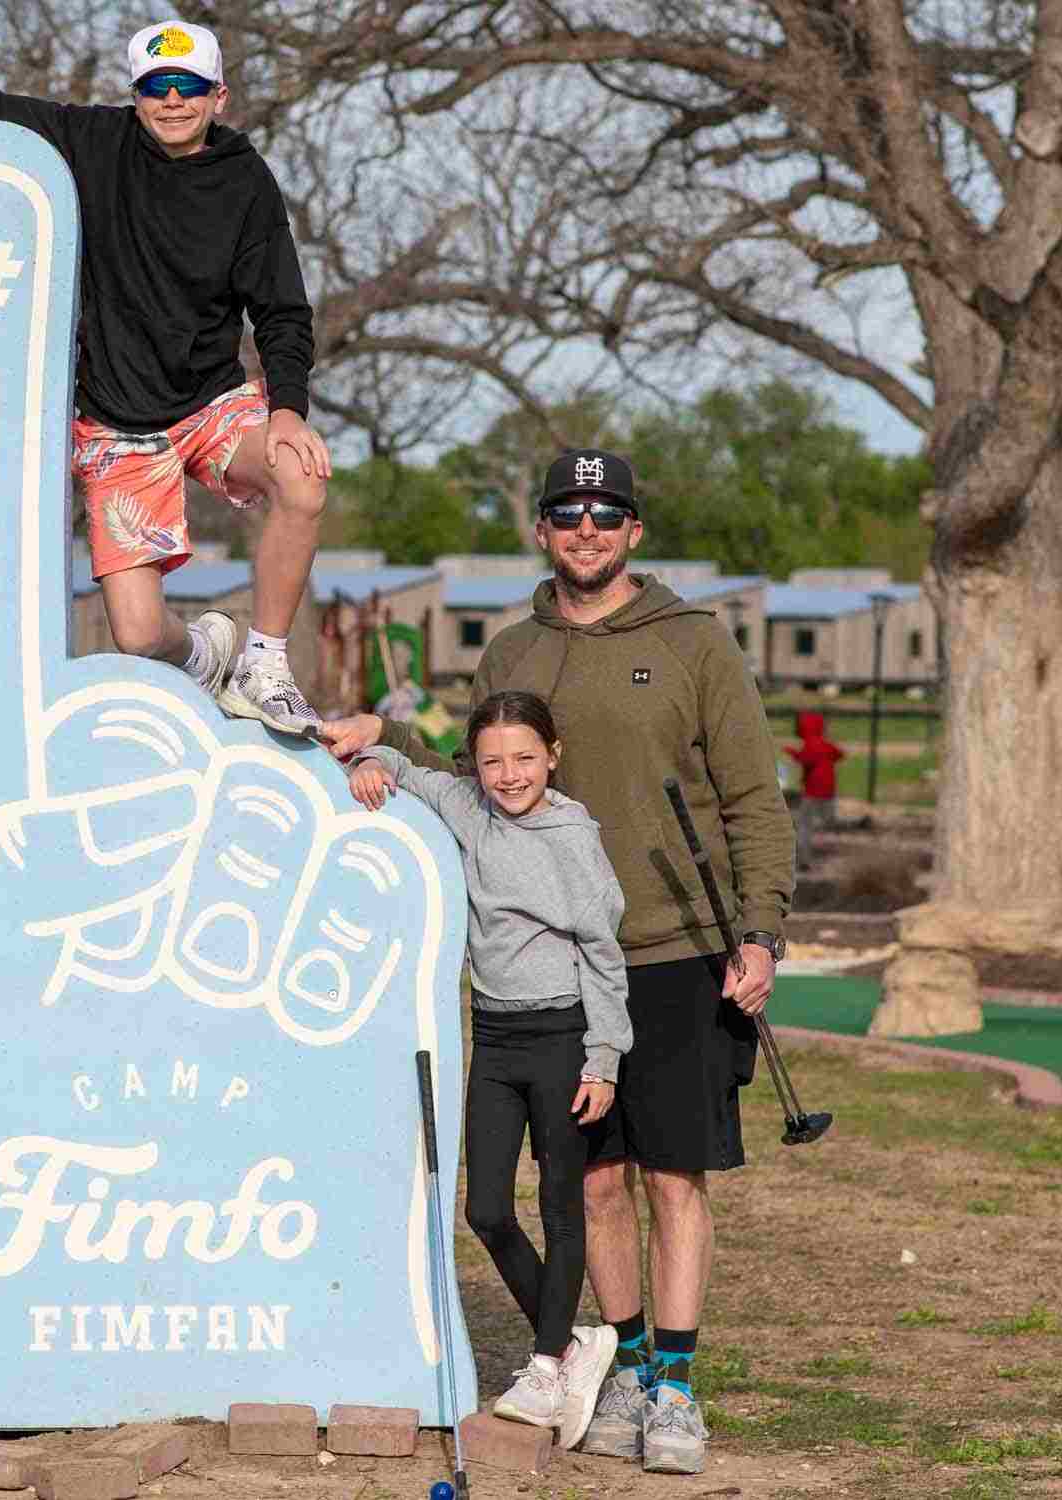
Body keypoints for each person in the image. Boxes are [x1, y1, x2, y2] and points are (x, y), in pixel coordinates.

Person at [321, 448, 793, 1477]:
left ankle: (675, 1383)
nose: (587, 532)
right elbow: (473, 769)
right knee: (595, 1181)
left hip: (674, 954)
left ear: (633, 530)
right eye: (568, 515)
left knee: (675, 1178)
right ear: (543, 528)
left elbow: (755, 798)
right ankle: (621, 1360)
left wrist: (758, 933)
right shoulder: (513, 648)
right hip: (552, 977)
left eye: (607, 515)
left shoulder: (693, 644)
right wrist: (382, 737)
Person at [0, 19, 330, 736]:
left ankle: (267, 662)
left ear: (220, 95)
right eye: (156, 87)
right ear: (136, 94)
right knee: (140, 636)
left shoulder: (245, 182)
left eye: (190, 88)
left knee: (300, 474)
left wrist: (290, 409)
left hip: (212, 403)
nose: (173, 101)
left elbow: (282, 310)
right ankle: (210, 653)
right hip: (118, 422)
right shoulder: (94, 142)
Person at [346, 690, 629, 1449]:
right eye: (493, 760)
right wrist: (374, 763)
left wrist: (603, 1059)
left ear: (553, 755)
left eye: (525, 759)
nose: (509, 776)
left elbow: (605, 955)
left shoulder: (572, 838)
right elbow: (408, 767)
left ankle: (544, 1363)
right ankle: (574, 1344)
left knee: (562, 1207)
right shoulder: (468, 804)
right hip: (496, 1040)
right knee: (488, 1211)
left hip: (565, 1038)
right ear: (475, 763)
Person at [786, 709, 844, 836]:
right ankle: (850, 825)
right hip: (829, 791)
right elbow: (839, 754)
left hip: (812, 792)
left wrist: (792, 752)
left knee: (804, 824)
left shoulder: (810, 744)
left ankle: (803, 854)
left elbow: (805, 759)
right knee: (829, 819)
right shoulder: (825, 745)